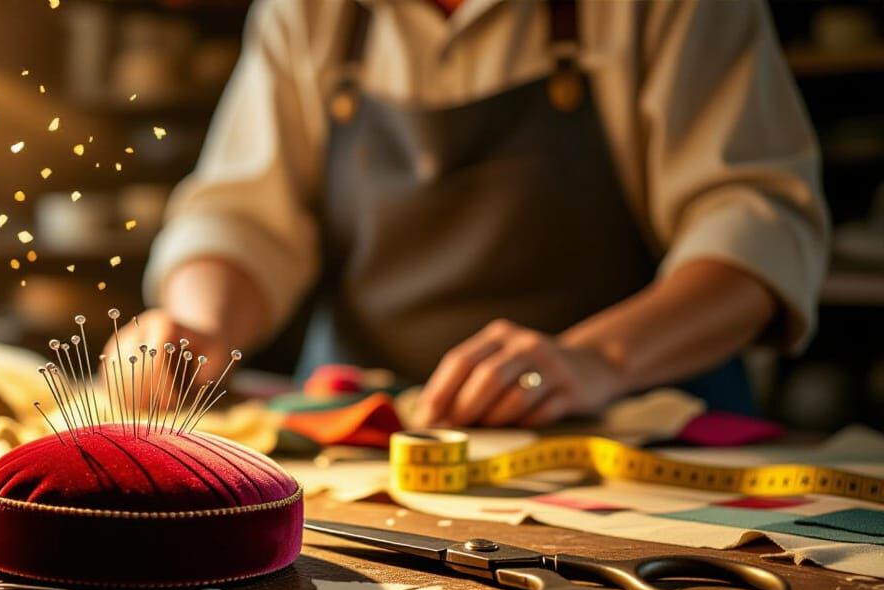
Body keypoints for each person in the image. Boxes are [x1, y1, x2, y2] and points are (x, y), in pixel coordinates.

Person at [112, 0, 828, 427]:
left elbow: (756, 223)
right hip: (370, 444)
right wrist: (200, 329)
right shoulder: (309, 12)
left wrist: (596, 360)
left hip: (630, 439)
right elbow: (244, 218)